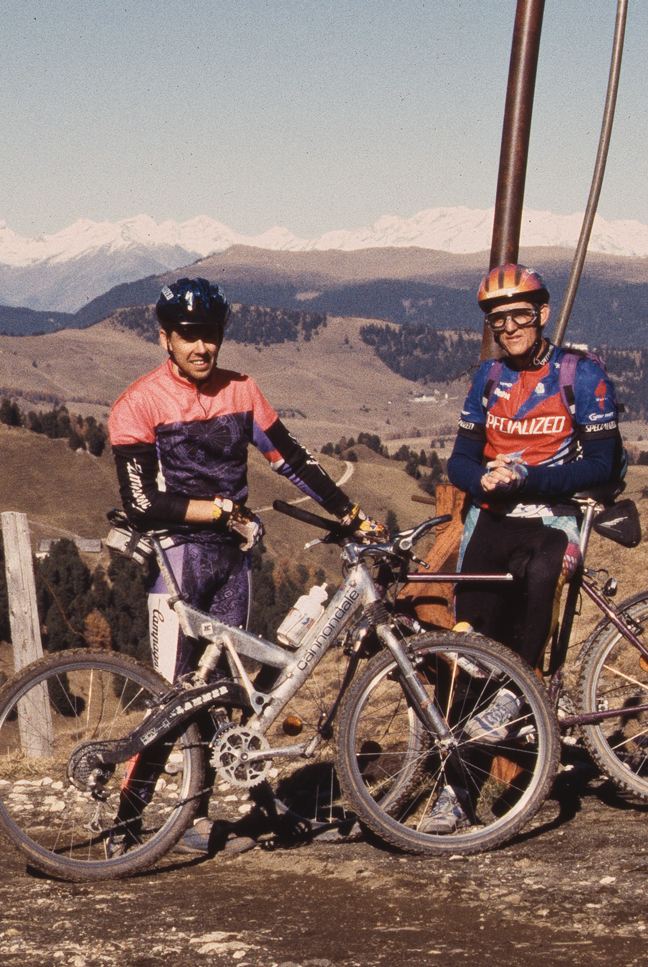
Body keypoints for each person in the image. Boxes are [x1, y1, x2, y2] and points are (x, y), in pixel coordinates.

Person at [107, 276, 384, 854]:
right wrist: (216, 510)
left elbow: (293, 460)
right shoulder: (139, 403)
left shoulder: (243, 391)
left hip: (231, 561)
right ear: (164, 338)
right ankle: (126, 826)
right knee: (174, 699)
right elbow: (139, 504)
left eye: (209, 335)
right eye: (188, 335)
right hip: (177, 560)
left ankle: (205, 813)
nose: (201, 346)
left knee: (228, 695)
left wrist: (350, 513)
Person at [446, 263, 621, 671]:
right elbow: (459, 461)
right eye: (498, 319)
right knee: (470, 658)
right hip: (489, 521)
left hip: (551, 523)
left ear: (542, 315)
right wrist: (482, 479)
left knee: (529, 645)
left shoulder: (581, 374)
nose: (509, 328)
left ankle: (526, 697)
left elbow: (603, 465)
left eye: (521, 315)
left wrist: (527, 478)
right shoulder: (488, 377)